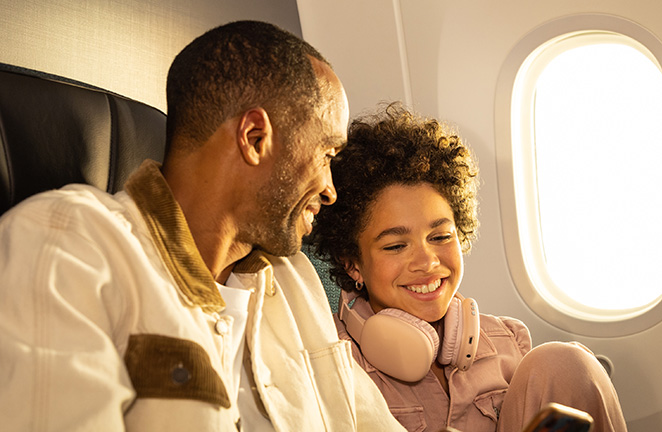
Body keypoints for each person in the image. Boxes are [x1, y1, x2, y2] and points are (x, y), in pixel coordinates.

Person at [0, 21, 406, 431]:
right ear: (253, 138)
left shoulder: (295, 279)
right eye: (326, 154)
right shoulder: (67, 245)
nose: (330, 189)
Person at [308, 104, 628, 432]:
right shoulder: (329, 363)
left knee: (566, 363)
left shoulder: (507, 341)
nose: (428, 262)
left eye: (440, 236)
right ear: (353, 263)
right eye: (396, 246)